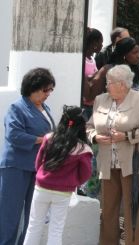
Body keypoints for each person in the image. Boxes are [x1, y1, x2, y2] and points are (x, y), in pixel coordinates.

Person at [87, 64, 139, 244]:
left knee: (133, 209)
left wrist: (126, 136)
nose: (106, 85)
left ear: (123, 84)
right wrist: (94, 136)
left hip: (132, 163)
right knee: (108, 209)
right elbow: (89, 126)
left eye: (110, 82)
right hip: (107, 163)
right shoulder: (101, 99)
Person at [0, 68, 56, 245]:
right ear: (33, 88)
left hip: (37, 167)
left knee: (34, 214)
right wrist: (43, 139)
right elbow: (14, 135)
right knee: (10, 215)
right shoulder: (17, 107)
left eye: (50, 90)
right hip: (16, 167)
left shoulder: (45, 108)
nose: (48, 94)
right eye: (45, 89)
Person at [23, 106, 93, 245]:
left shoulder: (49, 138)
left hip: (41, 188)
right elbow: (85, 174)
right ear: (81, 125)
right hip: (63, 193)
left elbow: (38, 162)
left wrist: (42, 176)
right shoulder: (83, 149)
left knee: (33, 226)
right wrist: (73, 182)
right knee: (56, 229)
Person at [82, 28, 104, 120]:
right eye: (100, 42)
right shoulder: (82, 60)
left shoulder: (92, 60)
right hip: (84, 106)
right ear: (94, 43)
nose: (102, 45)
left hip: (92, 105)